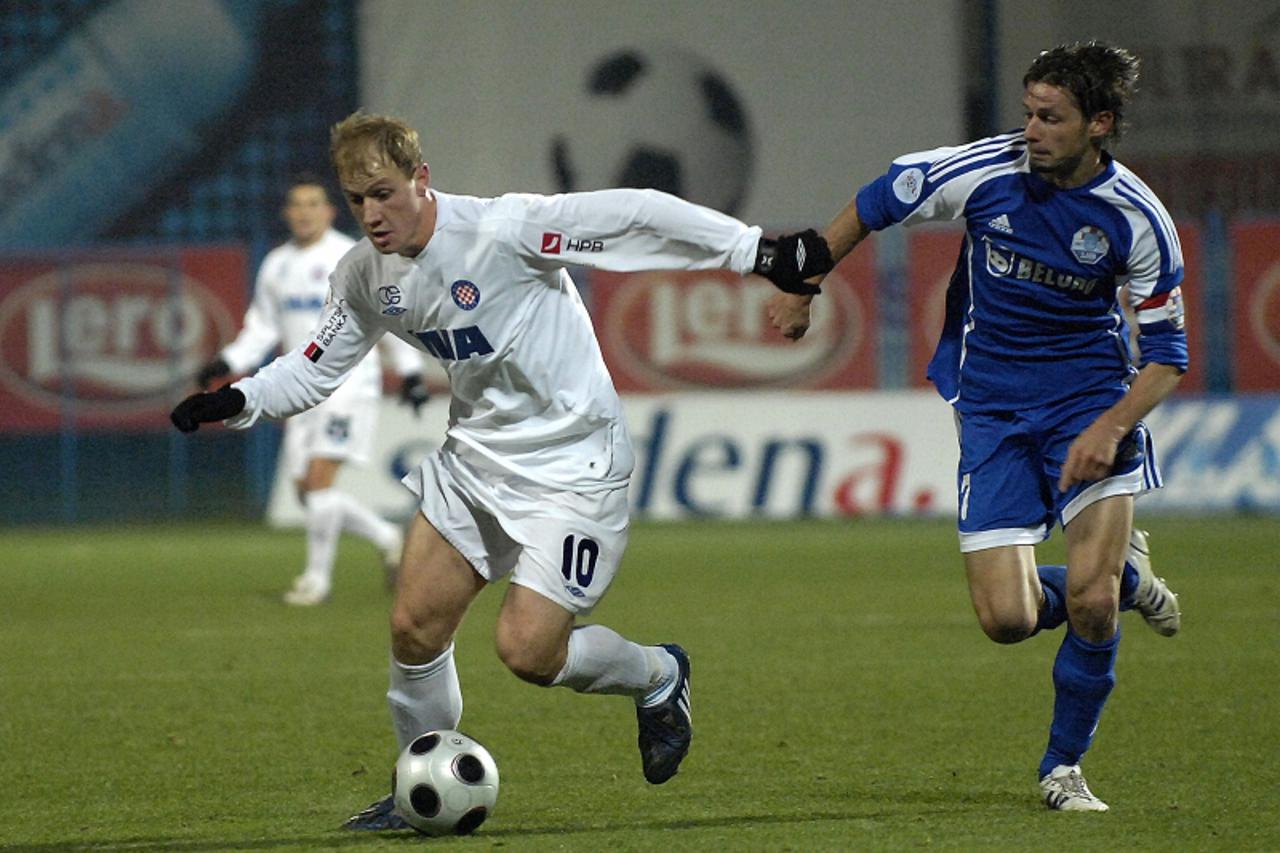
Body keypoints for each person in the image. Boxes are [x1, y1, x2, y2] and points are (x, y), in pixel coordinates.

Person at [170, 111, 833, 829]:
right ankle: (414, 792)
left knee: (528, 650)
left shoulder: (506, 230)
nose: (372, 214)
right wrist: (237, 400)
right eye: (357, 199)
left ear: (422, 179)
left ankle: (658, 672)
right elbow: (312, 369)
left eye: (384, 193)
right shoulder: (363, 275)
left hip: (576, 465)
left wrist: (752, 252)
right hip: (477, 459)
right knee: (414, 626)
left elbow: (634, 214)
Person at [768, 41, 1184, 812]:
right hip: (991, 405)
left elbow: (1167, 358)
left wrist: (1111, 428)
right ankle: (1130, 579)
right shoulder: (986, 171)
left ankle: (1063, 767)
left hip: (1091, 403)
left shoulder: (1138, 220)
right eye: (1027, 112)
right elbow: (876, 201)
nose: (1031, 129)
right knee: (1006, 617)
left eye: (1051, 118)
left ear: (1101, 124)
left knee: (1086, 606)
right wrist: (804, 284)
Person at [194, 174, 429, 606]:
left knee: (319, 481)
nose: (304, 212)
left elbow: (387, 317)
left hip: (348, 385)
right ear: (287, 213)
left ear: (330, 211)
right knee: (307, 490)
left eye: (313, 204)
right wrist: (228, 362)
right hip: (300, 389)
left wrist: (410, 373)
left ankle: (315, 582)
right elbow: (262, 327)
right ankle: (386, 535)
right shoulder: (276, 265)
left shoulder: (352, 256)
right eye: (296, 205)